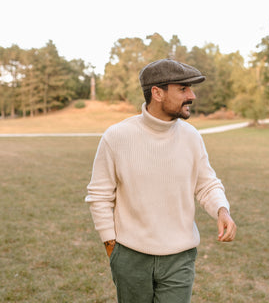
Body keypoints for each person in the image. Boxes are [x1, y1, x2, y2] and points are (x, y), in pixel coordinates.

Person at [85, 58, 237, 303]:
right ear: (157, 92)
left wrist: (222, 210)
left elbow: (206, 183)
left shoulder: (191, 136)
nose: (192, 96)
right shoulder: (116, 137)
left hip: (180, 258)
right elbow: (99, 196)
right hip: (130, 257)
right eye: (183, 89)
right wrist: (111, 245)